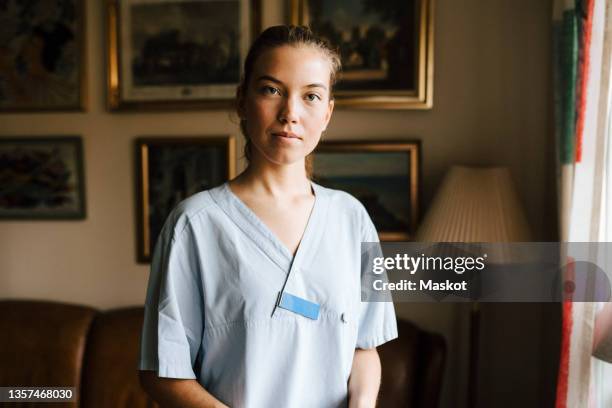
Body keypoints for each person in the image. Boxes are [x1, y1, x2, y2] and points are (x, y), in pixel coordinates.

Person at [138, 25, 398, 408]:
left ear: (327, 113)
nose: (290, 113)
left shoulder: (351, 218)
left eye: (311, 96)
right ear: (243, 101)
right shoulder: (195, 224)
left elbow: (364, 347)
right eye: (271, 90)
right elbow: (163, 375)